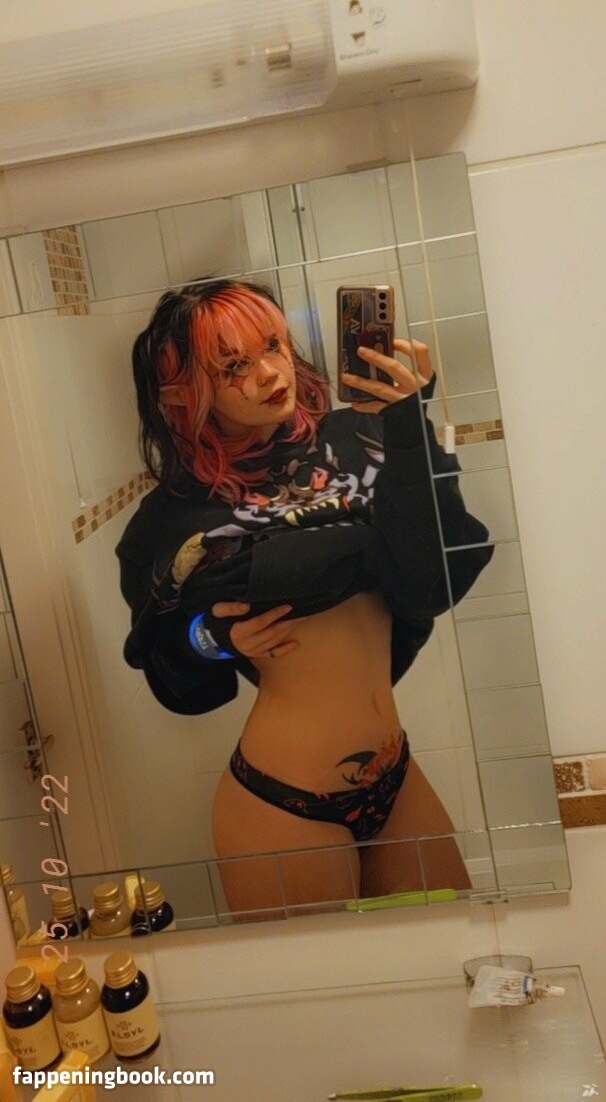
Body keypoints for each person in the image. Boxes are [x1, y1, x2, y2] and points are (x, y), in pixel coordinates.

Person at [116, 278, 493, 918]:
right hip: (282, 801)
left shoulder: (361, 437)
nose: (269, 373)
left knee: (454, 943)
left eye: (273, 345)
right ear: (182, 394)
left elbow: (433, 577)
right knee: (325, 982)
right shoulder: (173, 517)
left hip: (396, 778)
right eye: (232, 367)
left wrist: (409, 422)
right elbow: (171, 665)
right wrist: (216, 638)